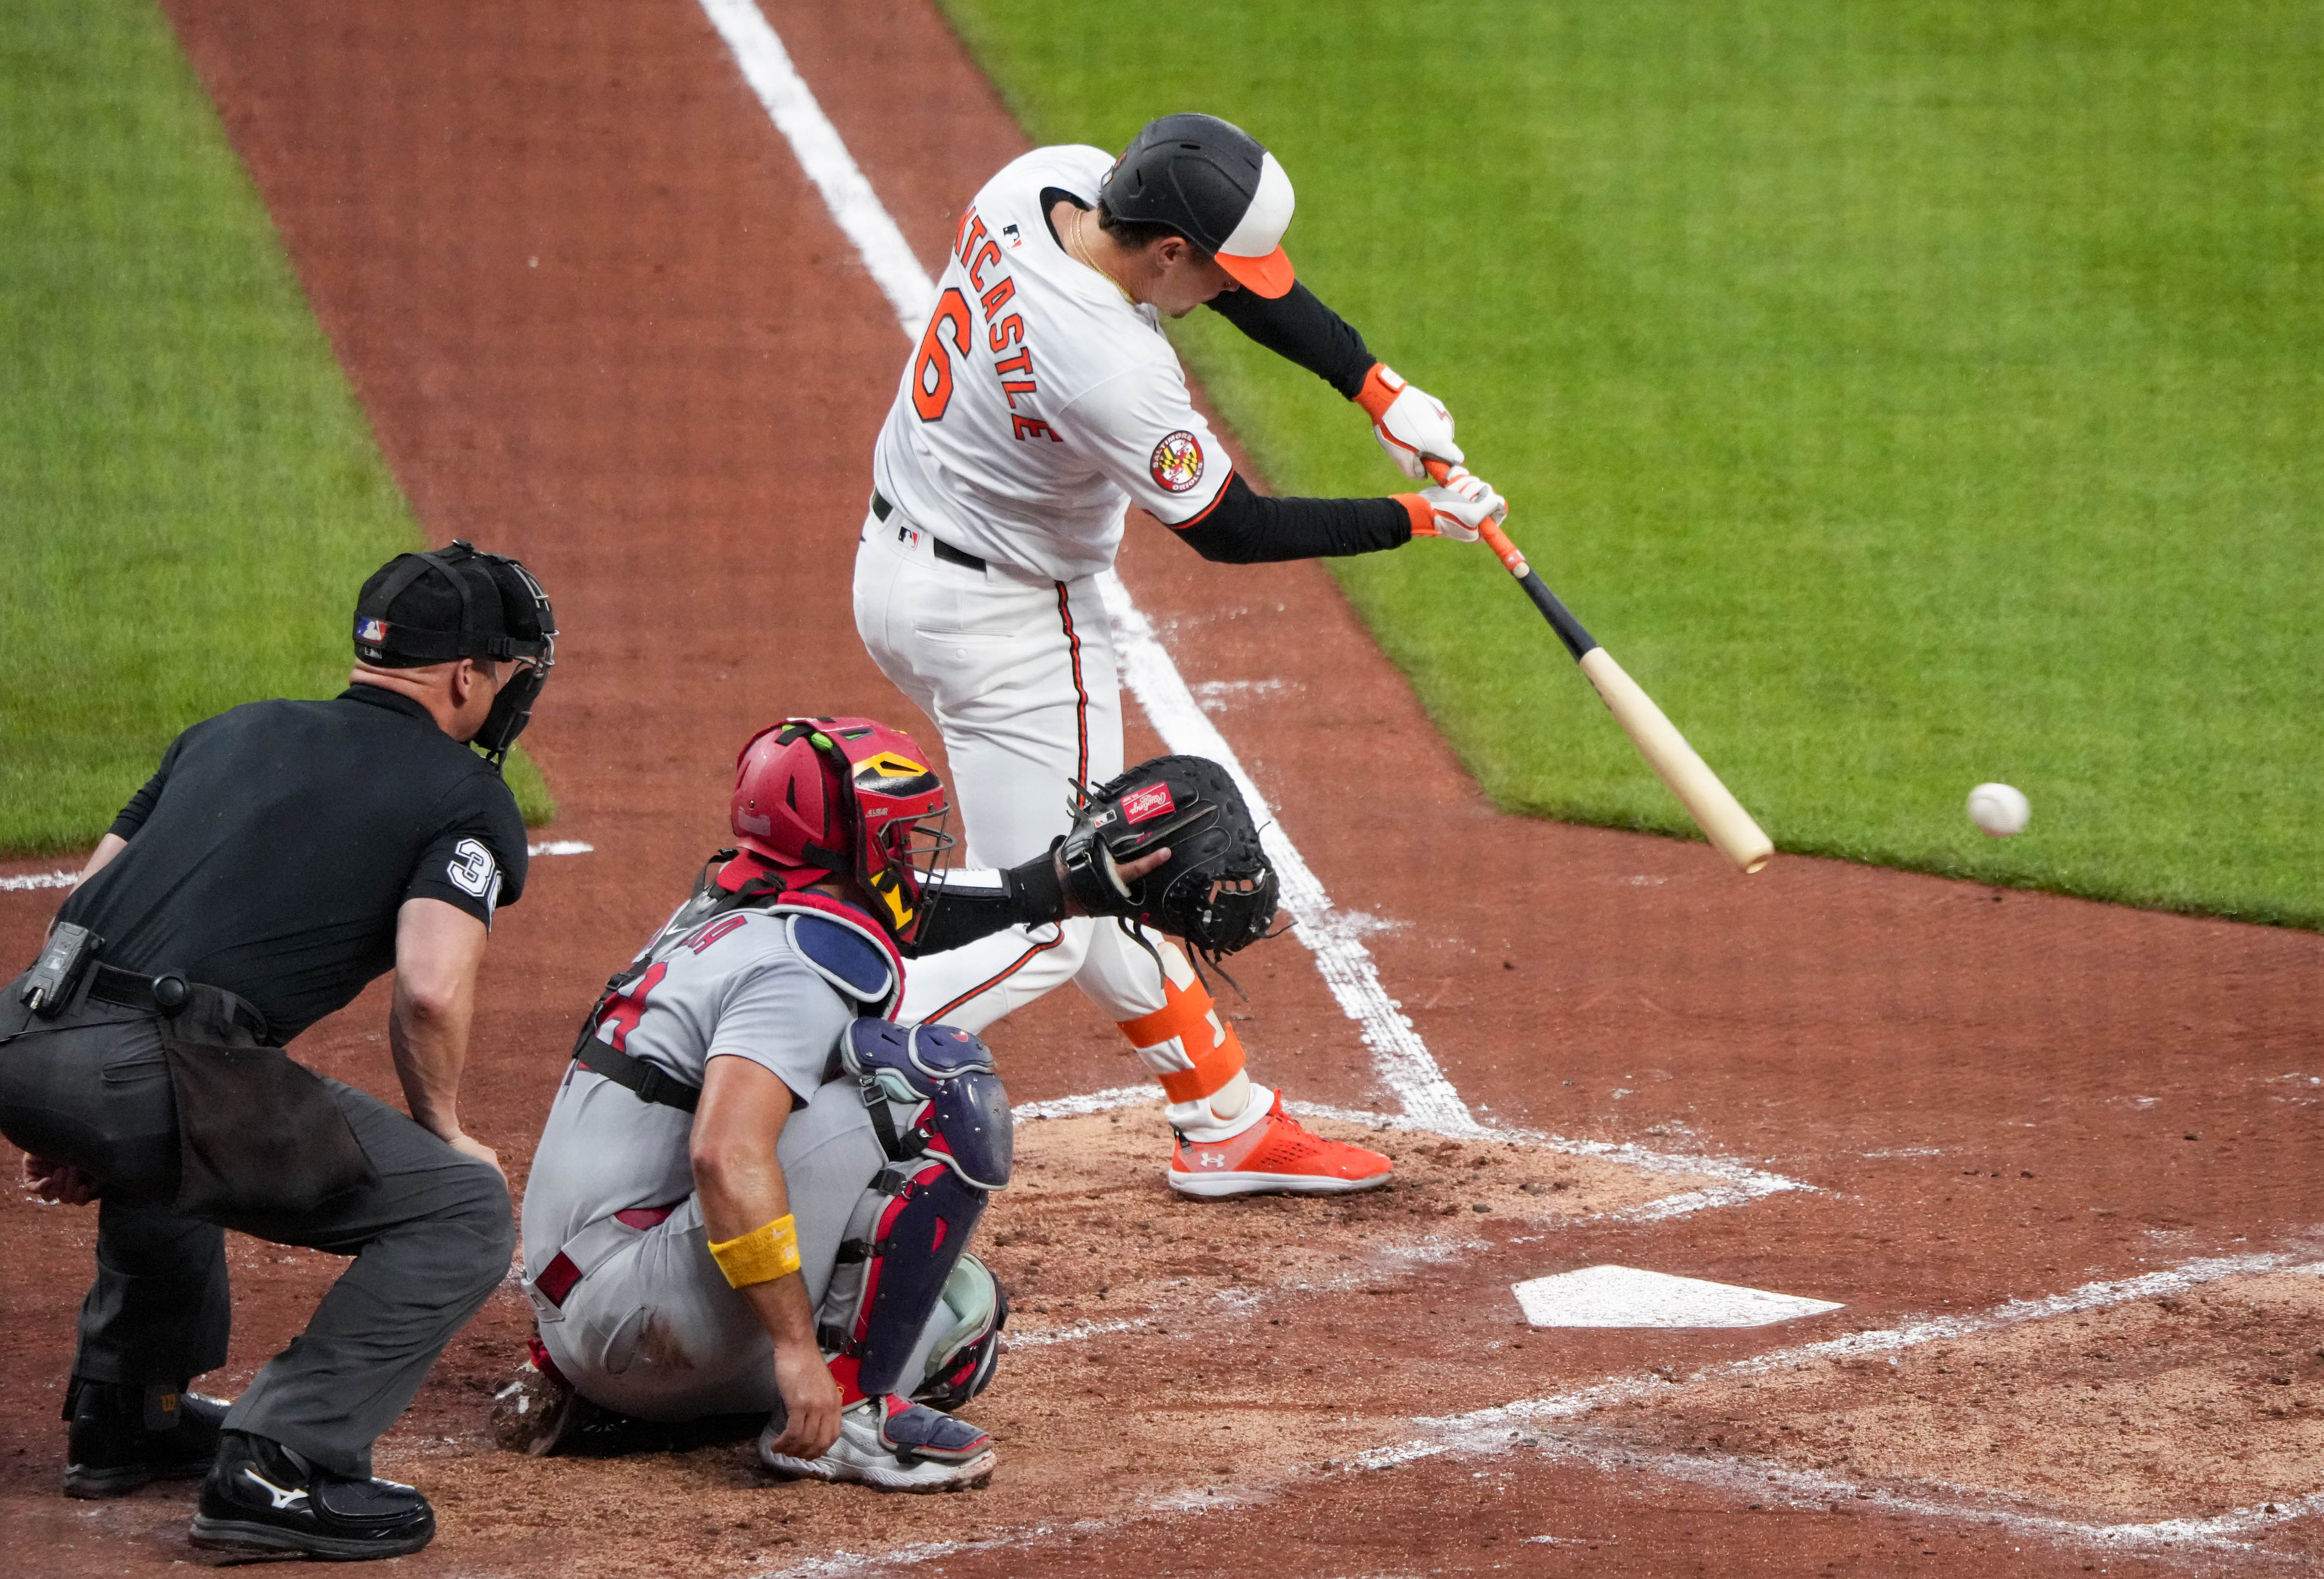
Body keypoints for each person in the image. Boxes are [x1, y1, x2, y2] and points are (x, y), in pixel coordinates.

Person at [853, 112, 1508, 1197]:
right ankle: (791, 1053)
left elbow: (1246, 286)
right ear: (1167, 252)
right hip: (1011, 627)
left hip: (899, 562)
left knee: (1106, 869)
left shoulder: (1044, 181)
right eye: (1213, 271)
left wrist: (1376, 389)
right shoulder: (1108, 365)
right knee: (1054, 915)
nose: (1226, 289)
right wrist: (1418, 517)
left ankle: (1226, 1116)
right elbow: (1228, 529)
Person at [0, 541, 556, 1561]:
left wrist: (74, 1084)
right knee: (462, 1208)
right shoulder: (462, 793)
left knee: (193, 1116)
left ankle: (131, 1413)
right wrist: (447, 1128)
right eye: (513, 669)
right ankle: (282, 1462)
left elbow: (85, 902)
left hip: (28, 1023)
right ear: (466, 676)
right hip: (144, 1061)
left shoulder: (228, 730)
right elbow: (431, 985)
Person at [505, 716, 1179, 1491]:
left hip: (581, 1316)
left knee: (960, 1306)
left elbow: (905, 916)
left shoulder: (730, 903)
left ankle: (611, 1398)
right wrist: (795, 1350)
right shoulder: (796, 967)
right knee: (938, 1087)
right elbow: (724, 1154)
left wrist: (1052, 889)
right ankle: (852, 1415)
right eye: (898, 833)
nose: (914, 847)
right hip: (637, 1322)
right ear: (850, 844)